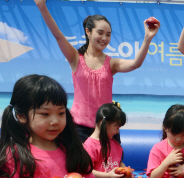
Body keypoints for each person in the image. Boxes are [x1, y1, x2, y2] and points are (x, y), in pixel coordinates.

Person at [34, 0, 160, 142]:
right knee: (81, 164)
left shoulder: (112, 63)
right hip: (79, 128)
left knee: (113, 164)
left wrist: (148, 38)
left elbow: (136, 63)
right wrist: (42, 6)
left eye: (108, 34)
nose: (104, 38)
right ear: (88, 32)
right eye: (100, 33)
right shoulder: (75, 57)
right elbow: (58, 35)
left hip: (107, 126)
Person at [83, 102, 132, 178]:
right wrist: (108, 176)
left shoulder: (113, 142)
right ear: (104, 124)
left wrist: (126, 171)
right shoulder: (90, 146)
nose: (117, 131)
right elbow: (88, 171)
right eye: (117, 127)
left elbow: (118, 160)